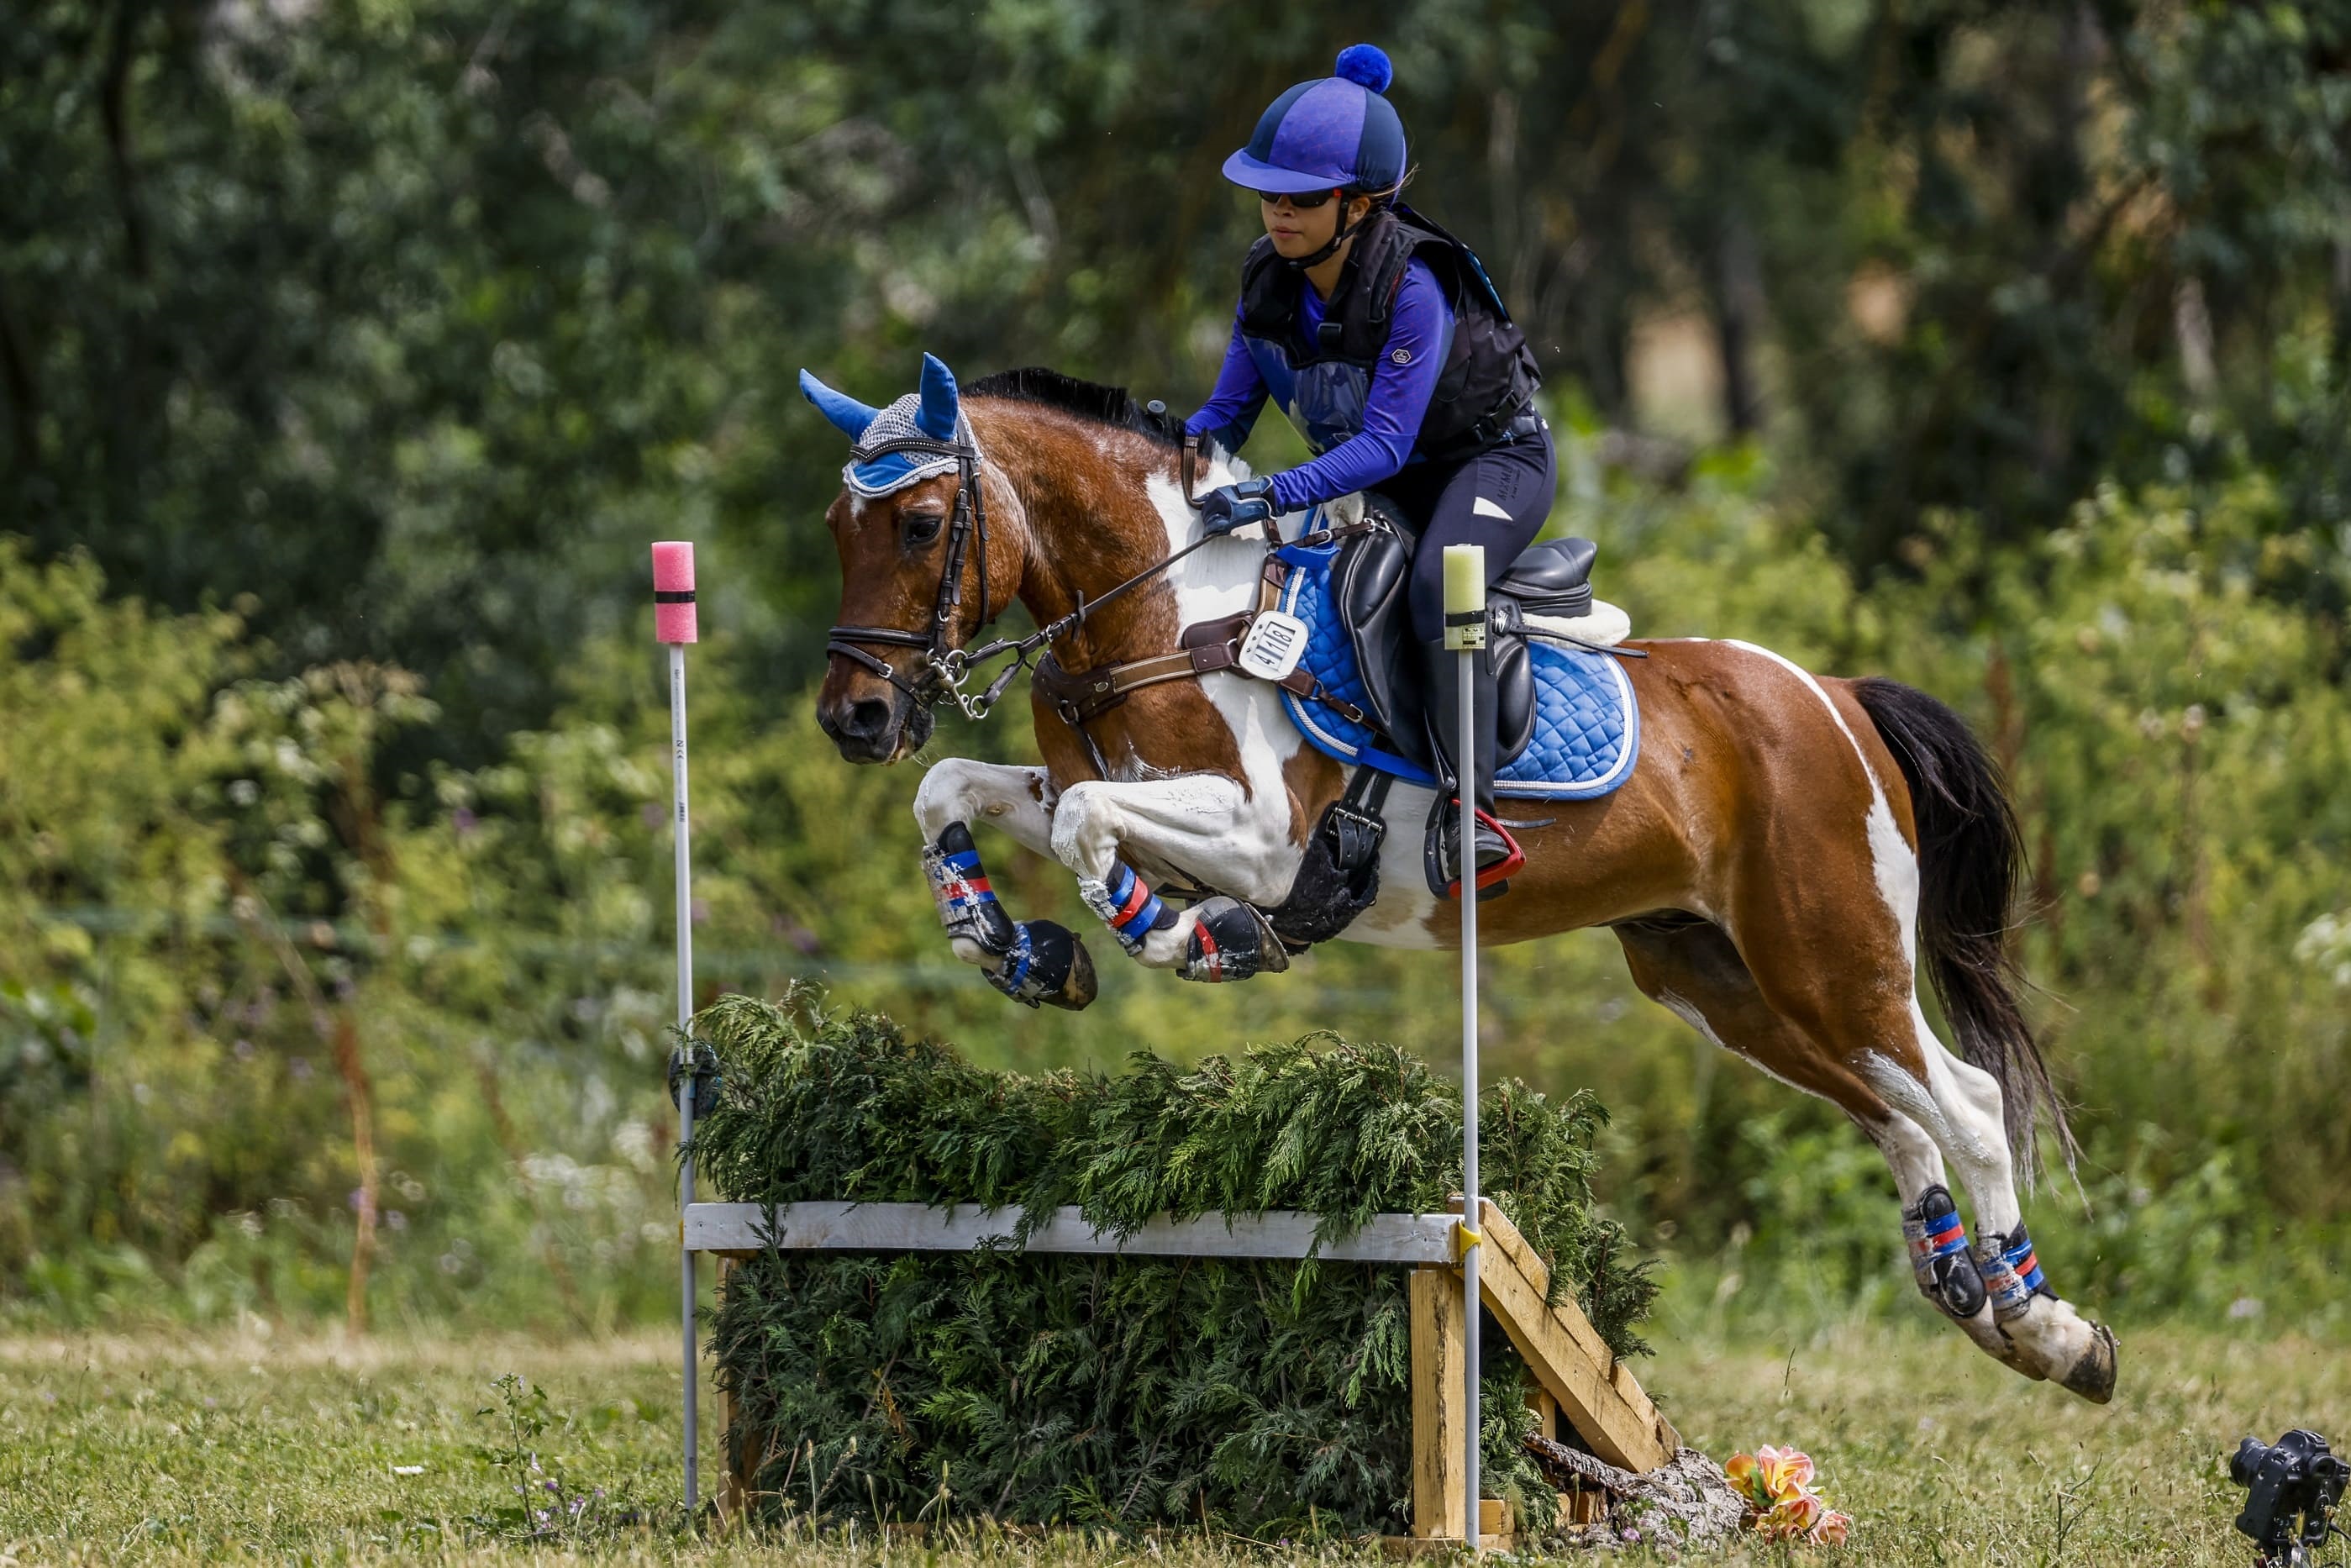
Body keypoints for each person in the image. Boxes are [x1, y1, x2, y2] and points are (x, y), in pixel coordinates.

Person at [1184, 43, 1551, 900]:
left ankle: (1474, 813)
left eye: (1302, 198)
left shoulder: (1413, 283)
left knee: (1433, 587)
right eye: (1267, 192)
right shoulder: (1265, 282)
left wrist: (1268, 492)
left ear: (1358, 203)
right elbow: (1222, 419)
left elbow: (1383, 445)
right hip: (1389, 478)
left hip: (1490, 465)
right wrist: (1160, 460)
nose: (1278, 211)